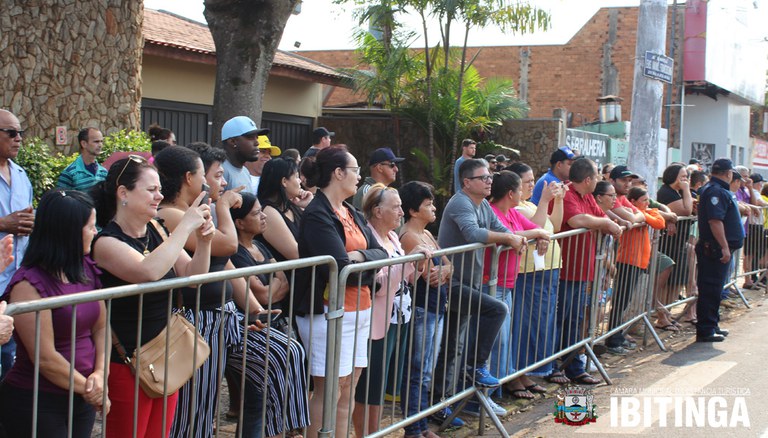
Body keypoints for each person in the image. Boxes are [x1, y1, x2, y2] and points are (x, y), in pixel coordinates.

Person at [90, 154, 214, 438]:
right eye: (151, 190)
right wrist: (185, 226)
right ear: (123, 193)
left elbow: (192, 277)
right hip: (127, 362)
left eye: (159, 189)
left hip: (164, 354)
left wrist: (204, 241)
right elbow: (148, 271)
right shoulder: (107, 242)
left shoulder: (157, 229)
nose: (159, 196)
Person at [294, 145, 388, 438]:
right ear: (338, 173)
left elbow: (380, 251)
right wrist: (359, 260)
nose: (360, 177)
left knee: (349, 386)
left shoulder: (348, 210)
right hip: (327, 312)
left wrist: (358, 259)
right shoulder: (317, 214)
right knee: (330, 389)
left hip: (360, 308)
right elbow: (339, 270)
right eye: (356, 170)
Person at [0, 190, 106, 438]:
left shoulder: (86, 268)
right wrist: (91, 389)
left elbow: (101, 327)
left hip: (81, 396)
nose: (95, 232)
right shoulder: (28, 284)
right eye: (90, 226)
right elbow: (45, 357)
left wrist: (100, 374)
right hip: (37, 400)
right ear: (68, 232)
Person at [433, 159, 525, 413]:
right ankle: (474, 367)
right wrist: (509, 238)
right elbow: (474, 233)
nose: (489, 181)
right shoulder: (460, 202)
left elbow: (500, 227)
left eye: (489, 177)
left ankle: (442, 403)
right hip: (452, 283)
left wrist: (517, 237)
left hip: (468, 283)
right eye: (483, 177)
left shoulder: (482, 204)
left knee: (454, 345)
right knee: (496, 310)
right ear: (466, 182)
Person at [352, 184, 430, 437]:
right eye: (394, 207)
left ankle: (374, 432)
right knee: (369, 387)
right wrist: (409, 260)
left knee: (381, 384)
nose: (400, 212)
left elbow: (404, 281)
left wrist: (417, 265)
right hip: (374, 322)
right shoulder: (369, 239)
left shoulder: (393, 237)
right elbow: (380, 286)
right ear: (376, 211)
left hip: (397, 317)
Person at [476, 170, 550, 408]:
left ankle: (496, 391)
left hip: (507, 285)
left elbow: (535, 228)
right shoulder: (493, 212)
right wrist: (537, 233)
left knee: (503, 340)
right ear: (510, 193)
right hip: (492, 285)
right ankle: (488, 395)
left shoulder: (512, 214)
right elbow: (509, 236)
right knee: (495, 341)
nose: (522, 193)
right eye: (520, 189)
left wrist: (539, 233)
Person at [556, 158, 621, 384]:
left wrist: (611, 223)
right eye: (597, 177)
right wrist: (606, 225)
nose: (599, 180)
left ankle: (573, 365)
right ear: (588, 179)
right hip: (566, 271)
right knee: (563, 319)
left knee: (576, 319)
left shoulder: (587, 197)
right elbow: (576, 220)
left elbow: (601, 217)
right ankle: (558, 366)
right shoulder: (568, 194)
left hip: (582, 272)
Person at [397, 181, 454, 436]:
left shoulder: (428, 234)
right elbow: (428, 275)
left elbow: (447, 265)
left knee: (426, 369)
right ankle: (414, 427)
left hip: (435, 306)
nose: (434, 208)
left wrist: (446, 270)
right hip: (422, 309)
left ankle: (421, 424)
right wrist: (443, 271)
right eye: (428, 204)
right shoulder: (409, 235)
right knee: (418, 369)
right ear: (413, 210)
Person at [507, 162, 567, 384]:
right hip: (528, 273)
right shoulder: (518, 208)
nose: (533, 185)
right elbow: (536, 228)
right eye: (527, 181)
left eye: (534, 180)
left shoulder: (529, 204)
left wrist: (558, 199)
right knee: (525, 325)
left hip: (546, 271)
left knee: (541, 324)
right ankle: (519, 374)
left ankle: (531, 371)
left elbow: (555, 225)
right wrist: (544, 200)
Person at [0, 109, 34, 380]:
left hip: (17, 284)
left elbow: (25, 220)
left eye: (20, 133)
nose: (18, 138)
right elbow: (9, 222)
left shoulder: (21, 175)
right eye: (11, 133)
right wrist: (3, 224)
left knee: (12, 364)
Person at [695, 158, 744, 342]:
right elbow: (715, 221)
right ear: (728, 173)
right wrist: (724, 246)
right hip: (714, 249)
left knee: (715, 289)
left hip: (717, 248)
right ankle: (706, 329)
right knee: (710, 289)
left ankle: (712, 324)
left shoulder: (718, 189)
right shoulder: (715, 191)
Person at [257, 157, 312, 264]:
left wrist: (308, 206)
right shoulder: (268, 212)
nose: (300, 180)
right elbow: (296, 253)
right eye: (296, 176)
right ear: (284, 181)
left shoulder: (292, 206)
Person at [220, 116, 270, 195]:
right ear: (233, 141)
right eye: (250, 137)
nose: (257, 143)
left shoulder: (245, 172)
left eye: (256, 137)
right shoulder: (220, 170)